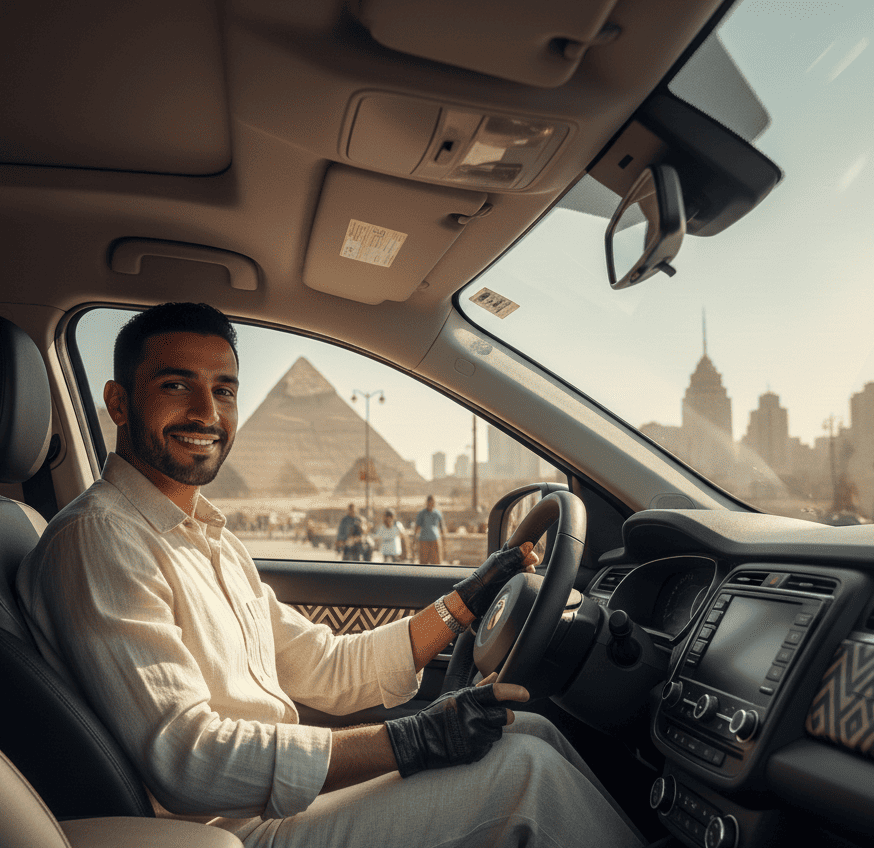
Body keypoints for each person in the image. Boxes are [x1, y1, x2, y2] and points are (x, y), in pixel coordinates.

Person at [17, 303, 643, 848]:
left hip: (268, 806)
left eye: (225, 390)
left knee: (524, 729)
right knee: (526, 779)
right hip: (219, 832)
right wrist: (413, 739)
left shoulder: (207, 537)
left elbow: (324, 664)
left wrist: (462, 604)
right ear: (118, 402)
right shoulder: (98, 540)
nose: (206, 412)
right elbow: (191, 759)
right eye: (176, 385)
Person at [413, 494, 445, 565]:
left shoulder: (437, 513)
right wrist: (414, 540)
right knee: (423, 562)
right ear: (427, 503)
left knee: (436, 562)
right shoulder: (422, 513)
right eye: (429, 502)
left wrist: (444, 540)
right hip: (424, 540)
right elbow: (417, 527)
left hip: (435, 540)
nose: (431, 504)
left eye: (432, 502)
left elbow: (442, 527)